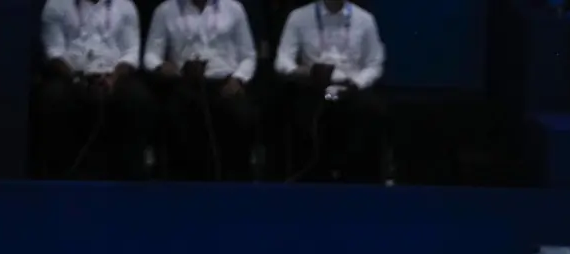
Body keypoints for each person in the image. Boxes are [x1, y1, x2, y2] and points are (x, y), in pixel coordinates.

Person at [36, 0, 155, 180]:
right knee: (53, 97)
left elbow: (131, 53)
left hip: (114, 75)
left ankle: (132, 177)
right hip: (72, 76)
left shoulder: (125, 6)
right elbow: (54, 52)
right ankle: (60, 176)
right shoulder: (56, 5)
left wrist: (113, 79)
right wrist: (77, 80)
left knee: (137, 98)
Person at [143, 0, 259, 180]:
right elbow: (151, 54)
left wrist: (238, 79)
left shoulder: (233, 8)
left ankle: (236, 183)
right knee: (175, 112)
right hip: (184, 79)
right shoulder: (165, 10)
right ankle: (183, 184)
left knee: (241, 114)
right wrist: (161, 66)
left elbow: (248, 56)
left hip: (225, 81)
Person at [274, 0, 388, 182]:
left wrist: (356, 83)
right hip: (314, 87)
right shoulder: (299, 17)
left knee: (372, 111)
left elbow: (375, 63)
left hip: (350, 88)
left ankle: (361, 183)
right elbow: (282, 60)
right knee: (299, 112)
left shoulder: (364, 19)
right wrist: (302, 71)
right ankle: (309, 181)